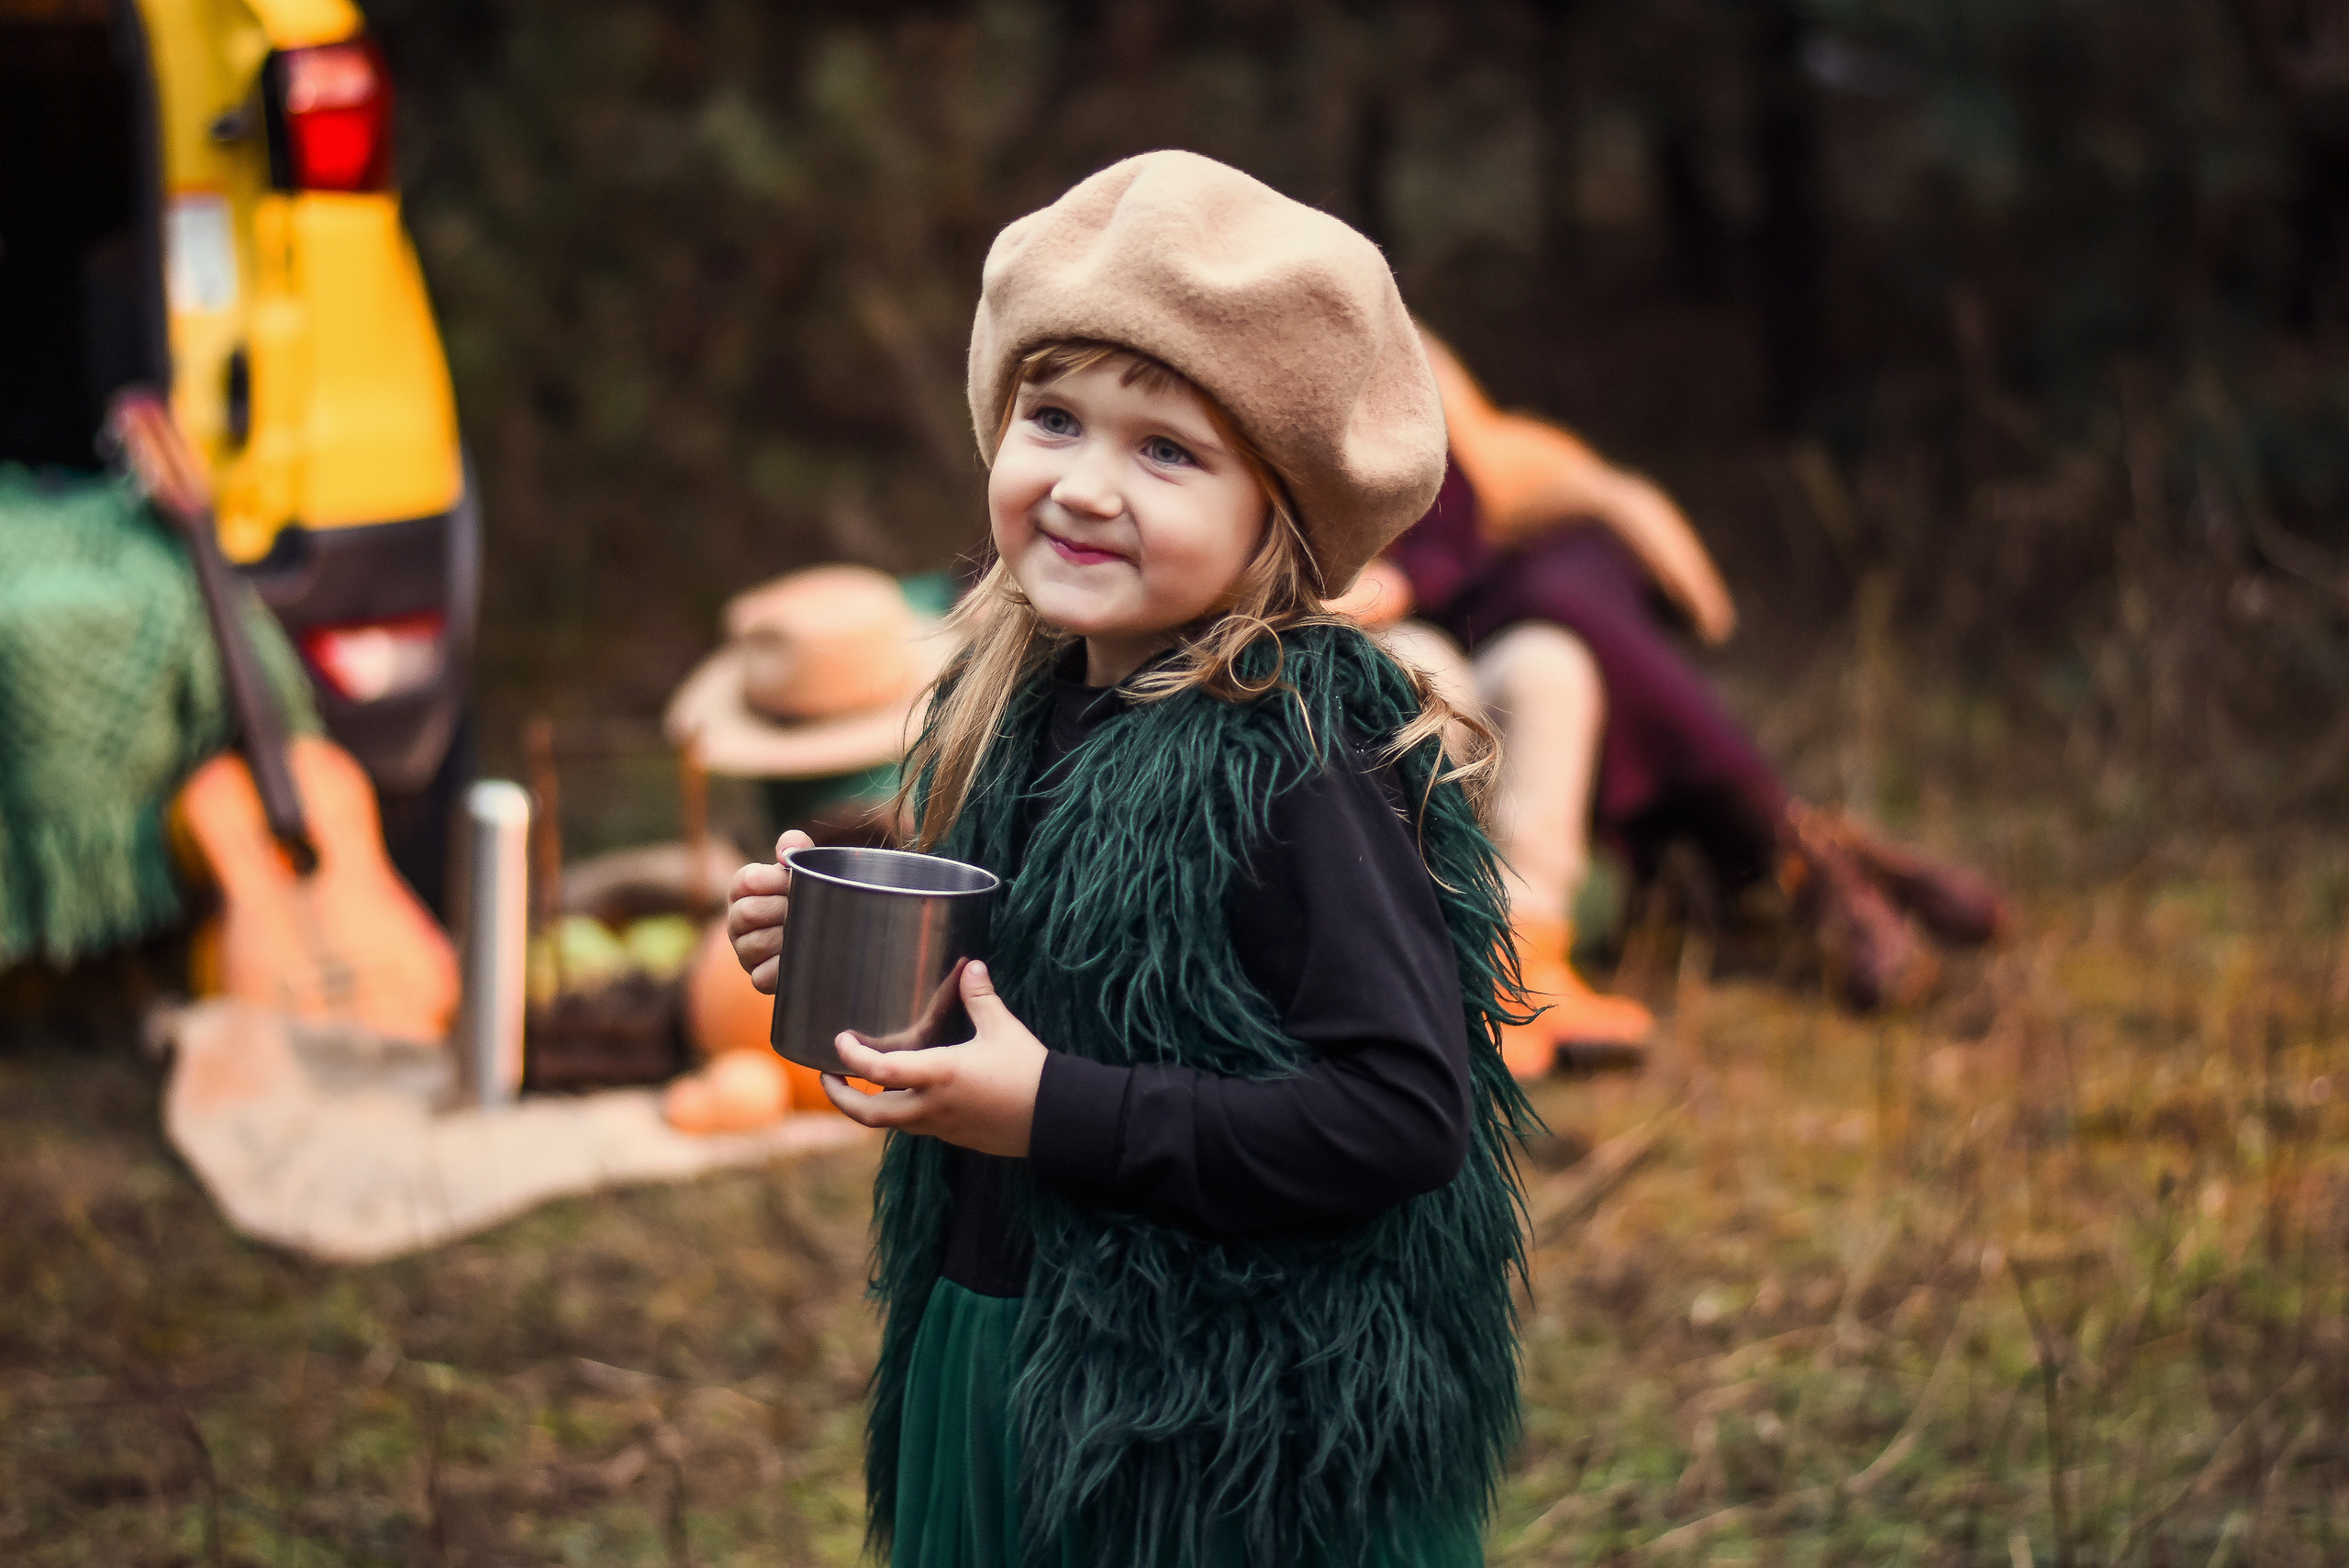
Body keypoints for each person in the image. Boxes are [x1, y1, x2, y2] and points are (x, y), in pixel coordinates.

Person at [725, 152, 1530, 1567]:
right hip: (996, 1348)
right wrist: (842, 947)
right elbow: (1054, 978)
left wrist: (1055, 1111)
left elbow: (1402, 1115)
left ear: (1275, 508)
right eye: (1054, 417)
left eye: (1166, 449)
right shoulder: (1017, 703)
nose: (1086, 485)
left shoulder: (1298, 755)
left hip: (1210, 1442)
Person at [1345, 333, 2004, 1029]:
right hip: (1435, 614)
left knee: (1559, 622)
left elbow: (1450, 483)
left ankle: (1799, 857)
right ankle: (1809, 848)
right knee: (1491, 660)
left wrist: (1400, 577)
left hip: (1516, 544)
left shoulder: (1362, 323)